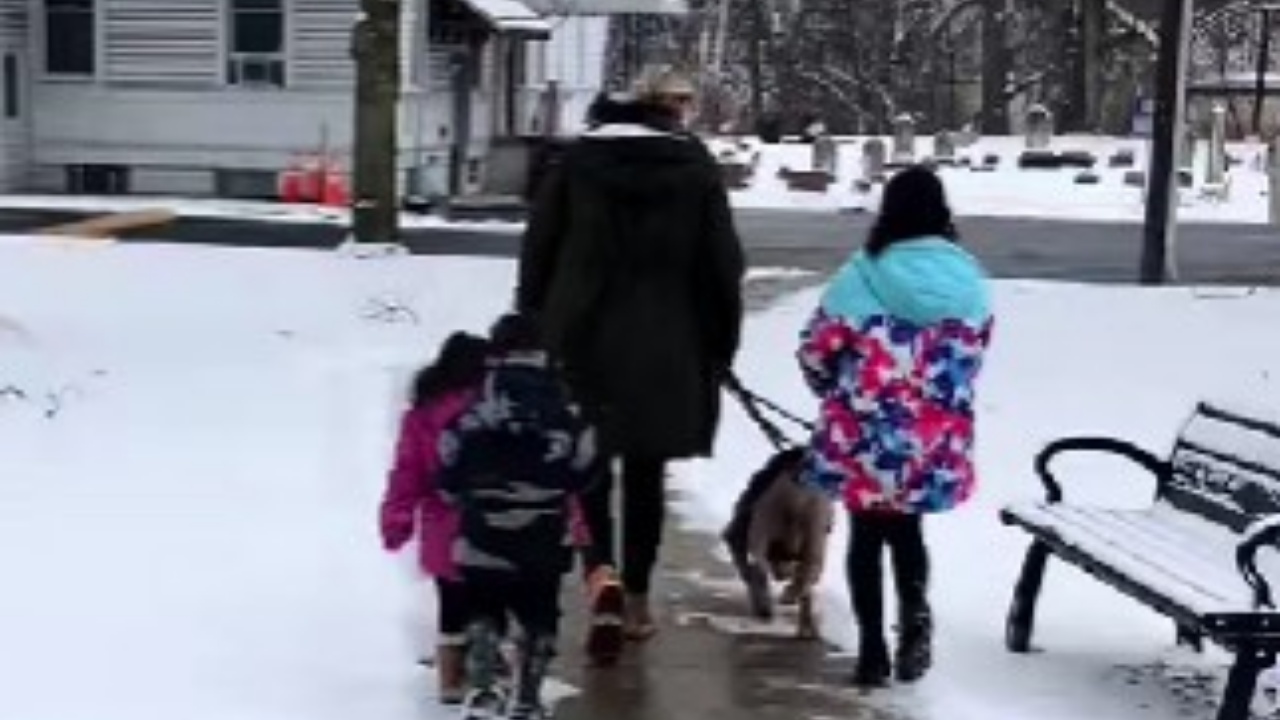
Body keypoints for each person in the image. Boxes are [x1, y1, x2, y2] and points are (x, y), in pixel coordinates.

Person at [516, 87, 745, 650]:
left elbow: (538, 254)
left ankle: (601, 574)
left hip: (580, 338)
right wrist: (719, 347)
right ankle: (638, 596)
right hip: (669, 341)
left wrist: (533, 329)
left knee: (588, 466)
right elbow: (723, 266)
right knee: (646, 473)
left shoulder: (574, 166)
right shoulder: (695, 169)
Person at [797, 166, 994, 687]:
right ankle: (914, 618)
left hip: (864, 432)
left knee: (866, 536)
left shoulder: (861, 276)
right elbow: (974, 355)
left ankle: (871, 651)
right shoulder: (970, 281)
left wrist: (832, 390)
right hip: (933, 437)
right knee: (908, 531)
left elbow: (816, 348)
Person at [437, 313, 598, 720]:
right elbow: (586, 465)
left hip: (482, 530)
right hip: (543, 532)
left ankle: (483, 684)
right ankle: (528, 694)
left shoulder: (479, 404)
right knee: (540, 612)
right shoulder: (563, 407)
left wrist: (460, 491)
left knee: (483, 604)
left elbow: (449, 459)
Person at [379, 332, 491, 704]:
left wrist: (397, 520)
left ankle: (450, 679)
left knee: (451, 604)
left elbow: (406, 473)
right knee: (490, 596)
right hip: (493, 523)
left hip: (443, 528)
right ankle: (489, 659)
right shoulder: (492, 410)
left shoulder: (422, 414)